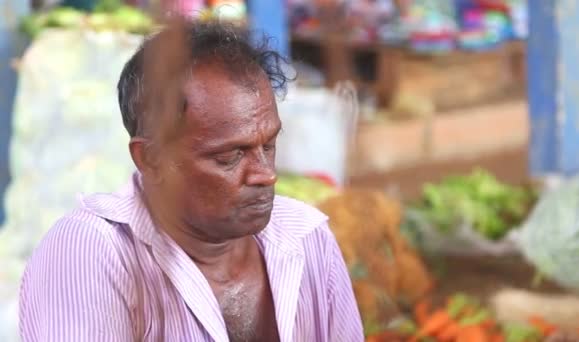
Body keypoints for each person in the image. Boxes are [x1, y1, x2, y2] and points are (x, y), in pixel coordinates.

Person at [19, 19, 363, 341]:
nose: (266, 174)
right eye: (230, 157)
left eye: (269, 145)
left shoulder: (307, 239)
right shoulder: (93, 252)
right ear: (151, 160)